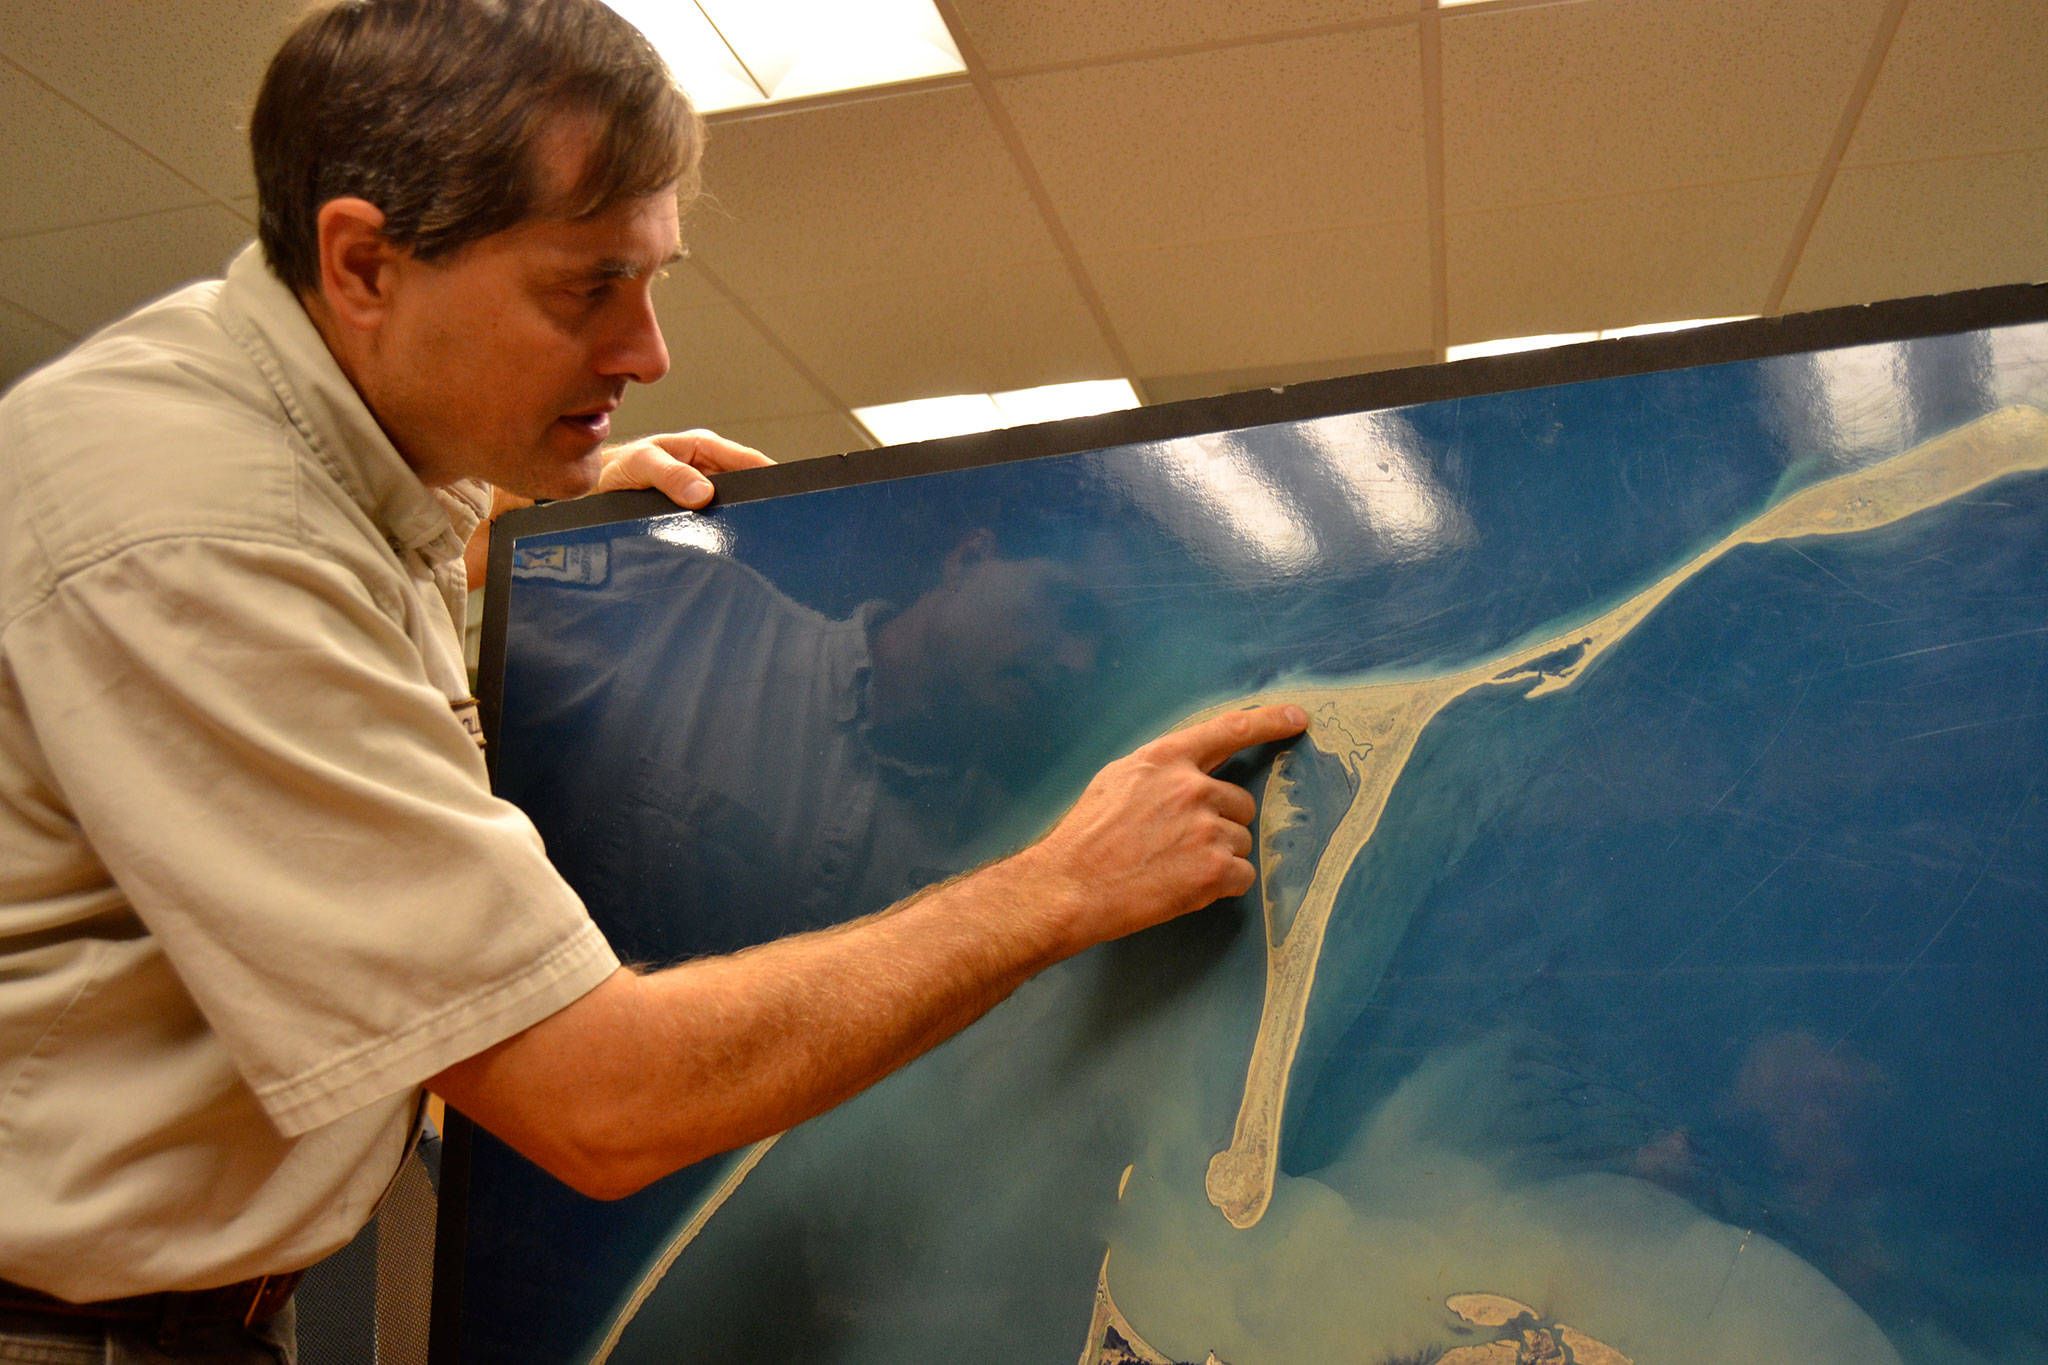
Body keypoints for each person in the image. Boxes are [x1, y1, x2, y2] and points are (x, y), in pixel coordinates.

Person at [0, 1, 1305, 1359]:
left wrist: (509, 526)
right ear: (364, 263)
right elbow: (598, 1103)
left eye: (653, 279)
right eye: (587, 287)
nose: (648, 352)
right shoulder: (196, 524)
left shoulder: (321, 463)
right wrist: (1059, 885)